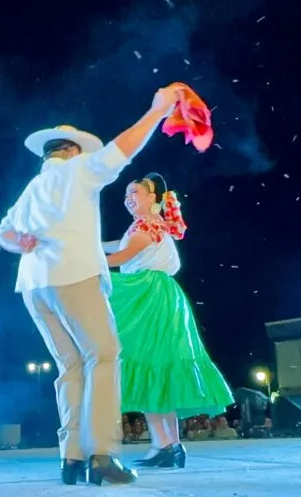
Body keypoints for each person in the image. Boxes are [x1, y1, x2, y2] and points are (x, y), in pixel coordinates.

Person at [0, 84, 182, 486]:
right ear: (75, 151)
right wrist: (157, 111)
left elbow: (1, 233)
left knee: (71, 367)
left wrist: (20, 242)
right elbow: (122, 149)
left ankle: (71, 459)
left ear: (49, 153)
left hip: (33, 286)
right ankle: (102, 456)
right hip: (73, 276)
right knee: (105, 355)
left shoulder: (32, 188)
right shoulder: (78, 172)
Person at [102, 173, 232, 469]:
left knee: (146, 361)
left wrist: (87, 260)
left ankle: (165, 445)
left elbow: (123, 255)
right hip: (161, 295)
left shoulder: (146, 223)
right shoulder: (149, 224)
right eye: (126, 194)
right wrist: (96, 246)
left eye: (134, 192)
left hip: (148, 295)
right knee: (157, 367)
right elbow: (121, 245)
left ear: (153, 198)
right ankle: (170, 445)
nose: (128, 198)